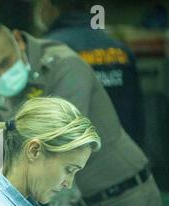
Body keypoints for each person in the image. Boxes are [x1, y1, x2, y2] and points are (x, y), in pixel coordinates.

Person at [0, 16, 163, 206]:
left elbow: (59, 151)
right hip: (69, 203)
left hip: (122, 199)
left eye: (4, 64)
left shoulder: (65, 66)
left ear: (18, 41)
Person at [34, 0, 145, 146]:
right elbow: (137, 117)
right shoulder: (120, 50)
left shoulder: (43, 52)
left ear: (48, 7)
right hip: (120, 157)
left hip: (70, 160)